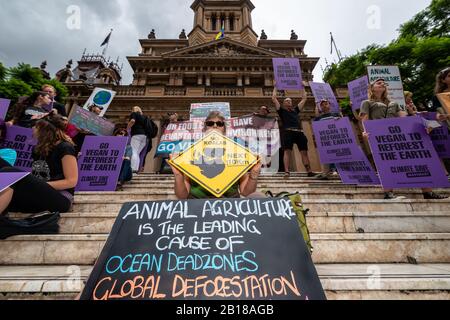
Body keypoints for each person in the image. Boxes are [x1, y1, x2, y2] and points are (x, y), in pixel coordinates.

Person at [360, 78, 447, 200]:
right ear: (372, 87)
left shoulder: (393, 103)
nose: (382, 84)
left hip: (397, 135)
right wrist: (365, 132)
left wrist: (413, 113)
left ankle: (428, 192)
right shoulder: (367, 103)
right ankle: (388, 193)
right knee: (385, 162)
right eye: (379, 83)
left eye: (384, 83)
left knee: (415, 160)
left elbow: (403, 117)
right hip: (379, 136)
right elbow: (364, 119)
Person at [167, 111, 262, 199]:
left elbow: (246, 192)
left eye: (220, 124)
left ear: (224, 130)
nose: (215, 126)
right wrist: (178, 175)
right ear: (204, 129)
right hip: (197, 206)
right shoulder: (192, 153)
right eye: (210, 123)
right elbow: (182, 195)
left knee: (259, 196)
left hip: (230, 205)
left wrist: (253, 174)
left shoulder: (235, 153)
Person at [0, 114, 78, 215]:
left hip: (61, 198)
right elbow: (38, 176)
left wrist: (38, 185)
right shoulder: (38, 149)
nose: (33, 128)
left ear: (45, 130)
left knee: (9, 173)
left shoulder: (65, 147)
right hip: (39, 194)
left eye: (36, 126)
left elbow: (71, 181)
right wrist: (35, 184)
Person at [272, 85, 315, 177]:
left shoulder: (295, 110)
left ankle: (309, 171)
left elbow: (304, 98)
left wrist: (303, 87)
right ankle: (287, 171)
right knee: (287, 152)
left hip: (299, 132)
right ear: (284, 103)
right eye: (287, 101)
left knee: (304, 152)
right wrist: (275, 86)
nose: (289, 101)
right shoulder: (281, 111)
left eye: (290, 101)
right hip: (288, 132)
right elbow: (274, 98)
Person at [313, 99, 342, 180]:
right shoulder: (319, 118)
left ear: (329, 105)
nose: (324, 105)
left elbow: (343, 124)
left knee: (337, 154)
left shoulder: (336, 114)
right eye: (322, 105)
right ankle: (326, 172)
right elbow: (316, 126)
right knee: (326, 156)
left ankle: (337, 170)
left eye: (326, 104)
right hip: (326, 140)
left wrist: (339, 119)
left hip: (336, 138)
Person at [431, 67, 450, 174]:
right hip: (447, 128)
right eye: (449, 76)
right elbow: (436, 111)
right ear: (443, 80)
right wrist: (439, 116)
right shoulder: (438, 97)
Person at [127, 106, 148, 173]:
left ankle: (132, 169)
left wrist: (127, 127)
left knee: (133, 151)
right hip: (144, 136)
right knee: (137, 153)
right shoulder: (144, 117)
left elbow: (132, 121)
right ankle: (136, 169)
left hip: (136, 135)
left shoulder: (134, 114)